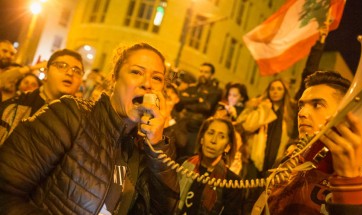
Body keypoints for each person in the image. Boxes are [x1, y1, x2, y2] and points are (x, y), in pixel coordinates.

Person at [0, 43, 179, 214]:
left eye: (157, 78)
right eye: (136, 72)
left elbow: (162, 210)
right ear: (114, 78)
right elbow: (5, 191)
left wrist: (157, 147)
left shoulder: (146, 149)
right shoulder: (70, 114)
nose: (147, 84)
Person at [263, 71, 362, 215]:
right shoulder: (287, 163)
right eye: (301, 106)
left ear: (346, 114)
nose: (301, 113)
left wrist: (349, 183)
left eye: (317, 104)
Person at [0, 49, 83, 145]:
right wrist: (33, 67)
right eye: (61, 66)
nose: (70, 73)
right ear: (47, 72)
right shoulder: (14, 107)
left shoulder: (80, 123)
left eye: (77, 71)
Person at [176, 117, 243, 214]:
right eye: (210, 133)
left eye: (221, 136)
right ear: (202, 139)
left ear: (227, 147)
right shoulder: (182, 164)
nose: (213, 140)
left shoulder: (233, 183)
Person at [236, 79, 296, 176]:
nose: (275, 92)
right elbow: (248, 126)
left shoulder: (288, 114)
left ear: (285, 92)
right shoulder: (260, 106)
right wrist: (264, 108)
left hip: (275, 161)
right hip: (254, 159)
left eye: (279, 89)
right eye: (272, 89)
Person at [178, 63, 223, 157]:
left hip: (197, 128)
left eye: (206, 72)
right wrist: (197, 99)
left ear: (212, 75)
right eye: (201, 71)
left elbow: (206, 107)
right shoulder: (193, 87)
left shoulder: (215, 91)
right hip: (182, 125)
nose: (202, 74)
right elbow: (180, 99)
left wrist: (189, 102)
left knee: (188, 156)